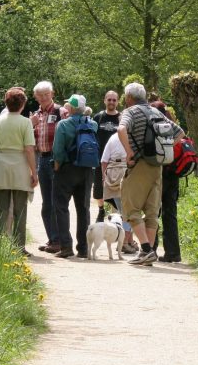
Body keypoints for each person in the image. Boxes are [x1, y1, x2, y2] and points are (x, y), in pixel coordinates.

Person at [117, 82, 184, 266]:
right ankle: (150, 253)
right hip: (158, 167)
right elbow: (180, 132)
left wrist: (129, 152)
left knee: (131, 208)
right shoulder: (156, 112)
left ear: (129, 97)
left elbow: (121, 129)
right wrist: (165, 151)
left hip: (139, 164)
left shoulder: (130, 112)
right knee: (151, 211)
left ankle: (146, 249)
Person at [0, 87, 38, 255]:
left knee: (1, 209)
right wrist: (34, 173)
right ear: (23, 104)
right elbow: (29, 149)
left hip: (0, 165)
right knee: (20, 209)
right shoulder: (25, 122)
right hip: (20, 167)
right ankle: (19, 247)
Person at [51, 94, 98, 258]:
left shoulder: (63, 124)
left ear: (70, 108)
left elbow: (57, 150)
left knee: (61, 207)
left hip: (66, 169)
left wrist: (57, 167)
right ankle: (83, 248)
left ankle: (66, 247)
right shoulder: (93, 124)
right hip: (86, 169)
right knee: (83, 208)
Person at [31, 81, 63, 253]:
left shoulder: (60, 112)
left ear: (52, 94)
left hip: (55, 159)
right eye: (40, 95)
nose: (43, 97)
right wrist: (31, 124)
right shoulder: (36, 115)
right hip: (42, 159)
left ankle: (59, 240)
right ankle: (52, 238)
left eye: (46, 94)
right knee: (46, 203)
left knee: (55, 201)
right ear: (35, 97)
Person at [150, 100, 182, 262]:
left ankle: (151, 249)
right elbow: (181, 134)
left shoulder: (156, 124)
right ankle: (173, 252)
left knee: (153, 211)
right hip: (173, 174)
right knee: (170, 214)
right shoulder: (171, 124)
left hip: (160, 173)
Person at [100, 131, 137, 253]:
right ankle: (125, 242)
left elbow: (104, 160)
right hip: (127, 172)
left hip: (112, 175)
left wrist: (104, 178)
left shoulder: (113, 137)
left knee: (124, 211)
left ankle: (129, 240)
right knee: (127, 212)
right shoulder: (133, 138)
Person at [92, 90, 121, 222]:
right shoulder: (98, 117)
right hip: (99, 159)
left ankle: (114, 213)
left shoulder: (122, 118)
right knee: (98, 187)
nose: (111, 102)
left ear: (118, 101)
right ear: (104, 100)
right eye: (109, 99)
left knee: (116, 188)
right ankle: (101, 210)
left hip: (117, 161)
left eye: (114, 100)